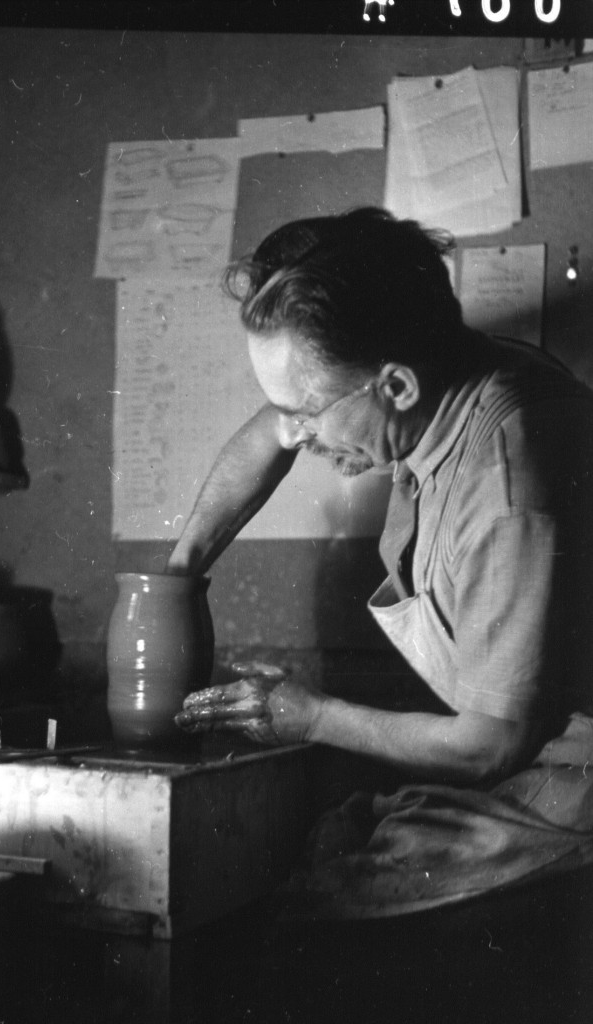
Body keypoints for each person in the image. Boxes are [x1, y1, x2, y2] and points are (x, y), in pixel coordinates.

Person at [169, 207, 593, 915]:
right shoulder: (448, 371)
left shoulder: (508, 483)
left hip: (568, 769)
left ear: (394, 386)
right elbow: (272, 427)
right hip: (529, 748)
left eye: (307, 413)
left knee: (320, 899)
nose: (294, 435)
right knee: (331, 833)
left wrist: (309, 719)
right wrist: (181, 570)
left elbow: (490, 745)